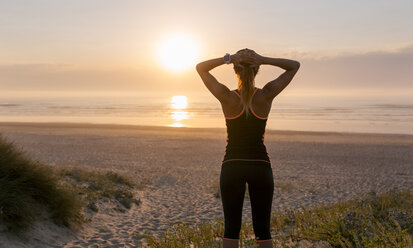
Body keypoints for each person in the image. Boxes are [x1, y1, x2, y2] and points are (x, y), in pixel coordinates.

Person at [196, 49, 300, 248]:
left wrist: (228, 59)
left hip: (232, 166)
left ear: (235, 70)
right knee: (263, 231)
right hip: (260, 166)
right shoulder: (266, 94)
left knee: (231, 230)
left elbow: (201, 68)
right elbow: (294, 65)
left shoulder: (227, 97)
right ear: (257, 70)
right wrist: (264, 59)